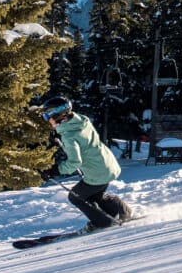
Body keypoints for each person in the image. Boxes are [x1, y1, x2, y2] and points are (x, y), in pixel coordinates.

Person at [37, 96, 133, 232]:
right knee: (95, 195)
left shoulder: (69, 136)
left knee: (75, 196)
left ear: (58, 115)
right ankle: (122, 212)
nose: (46, 120)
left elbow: (75, 162)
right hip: (109, 165)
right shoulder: (82, 121)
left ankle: (102, 222)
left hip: (97, 172)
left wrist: (54, 171)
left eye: (47, 116)